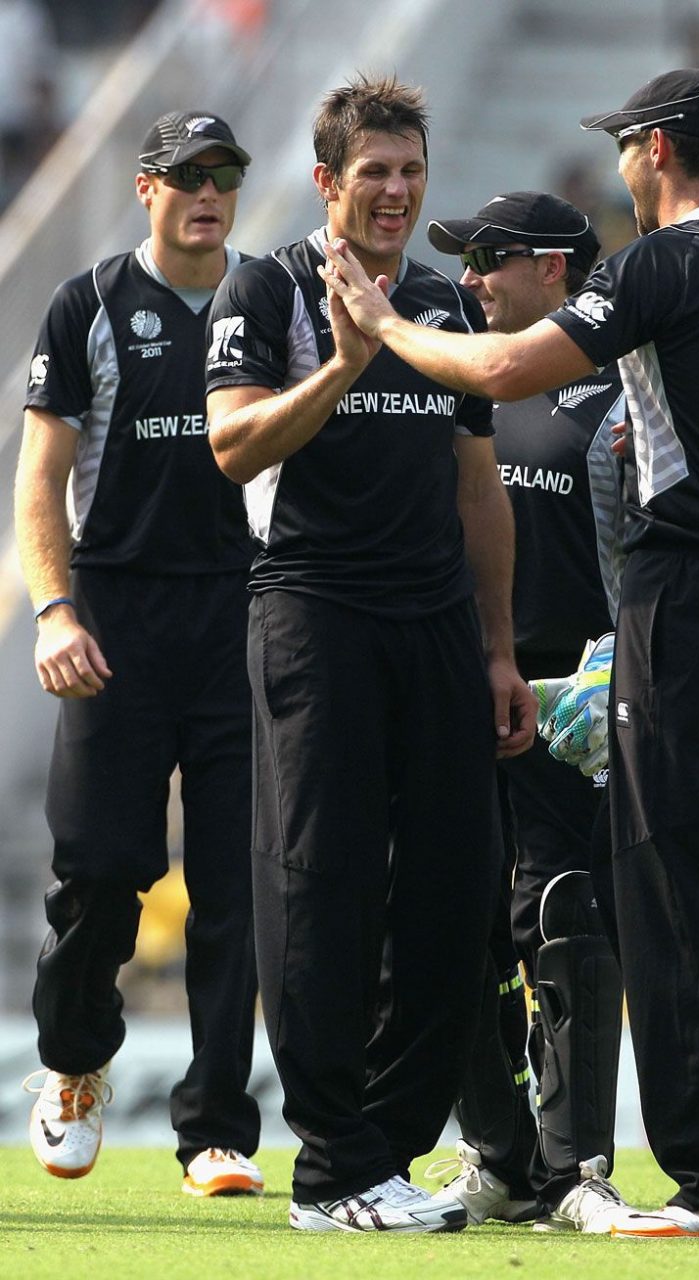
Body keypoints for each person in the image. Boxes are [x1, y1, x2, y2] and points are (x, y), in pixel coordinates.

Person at [322, 68, 699, 1242]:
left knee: (664, 881)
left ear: (659, 150)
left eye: (625, 141)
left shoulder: (657, 266)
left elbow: (505, 368)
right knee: (692, 865)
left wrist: (382, 327)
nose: (619, 159)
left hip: (684, 588)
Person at [205, 74, 536, 1235]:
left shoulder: (442, 303)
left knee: (454, 895)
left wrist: (498, 648)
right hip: (312, 608)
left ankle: (381, 1155)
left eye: (409, 171)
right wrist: (343, 365)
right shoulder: (268, 286)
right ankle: (331, 1166)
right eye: (373, 174)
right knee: (319, 883)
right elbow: (231, 447)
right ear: (325, 184)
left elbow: (474, 483)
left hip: (437, 623)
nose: (395, 193)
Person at [14, 110, 263, 1198]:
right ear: (145, 187)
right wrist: (53, 610)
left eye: (225, 174)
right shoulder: (90, 306)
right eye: (188, 174)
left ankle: (215, 1125)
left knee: (236, 884)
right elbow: (38, 479)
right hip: (113, 618)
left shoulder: (272, 297)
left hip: (240, 613)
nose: (209, 190)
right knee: (102, 870)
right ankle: (71, 1064)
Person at [420, 191, 628, 1235]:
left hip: (575, 698)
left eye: (488, 257)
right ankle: (496, 1157)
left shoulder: (627, 390)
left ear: (554, 268)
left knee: (563, 913)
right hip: (454, 688)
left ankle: (578, 1166)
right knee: (446, 921)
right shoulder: (459, 390)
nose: (468, 278)